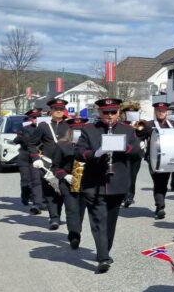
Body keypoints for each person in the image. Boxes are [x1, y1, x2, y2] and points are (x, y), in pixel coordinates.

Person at [75, 97, 141, 273]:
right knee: (98, 220)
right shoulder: (89, 129)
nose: (110, 116)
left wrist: (125, 148)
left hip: (117, 182)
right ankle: (103, 257)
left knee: (110, 222)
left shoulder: (127, 130)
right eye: (106, 113)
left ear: (118, 112)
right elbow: (79, 152)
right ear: (99, 113)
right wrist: (95, 153)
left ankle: (105, 250)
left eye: (113, 112)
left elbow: (137, 152)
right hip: (93, 183)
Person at [34, 98, 72, 230]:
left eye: (61, 109)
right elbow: (32, 143)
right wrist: (35, 158)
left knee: (63, 190)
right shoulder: (43, 126)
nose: (59, 111)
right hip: (48, 164)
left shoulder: (69, 126)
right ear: (51, 110)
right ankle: (54, 218)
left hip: (66, 164)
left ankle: (68, 217)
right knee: (50, 192)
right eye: (56, 109)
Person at [50, 116, 87, 249]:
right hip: (68, 181)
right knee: (72, 209)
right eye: (75, 129)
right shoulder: (62, 145)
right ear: (70, 131)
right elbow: (55, 167)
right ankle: (74, 235)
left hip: (85, 182)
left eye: (81, 129)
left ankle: (76, 230)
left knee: (80, 210)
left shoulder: (89, 146)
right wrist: (65, 176)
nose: (78, 132)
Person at [137, 102, 174, 219]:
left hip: (168, 158)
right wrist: (143, 152)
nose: (161, 113)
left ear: (166, 112)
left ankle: (160, 203)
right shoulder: (148, 125)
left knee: (164, 183)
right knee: (158, 182)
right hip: (153, 159)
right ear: (155, 112)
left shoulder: (173, 125)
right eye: (159, 111)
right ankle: (160, 207)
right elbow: (138, 138)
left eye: (163, 111)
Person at [14, 108, 44, 214]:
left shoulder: (45, 128)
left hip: (39, 157)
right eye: (34, 118)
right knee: (26, 179)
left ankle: (38, 202)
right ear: (30, 119)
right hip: (25, 157)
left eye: (38, 117)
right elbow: (23, 141)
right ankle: (25, 196)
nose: (36, 119)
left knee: (38, 179)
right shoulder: (25, 128)